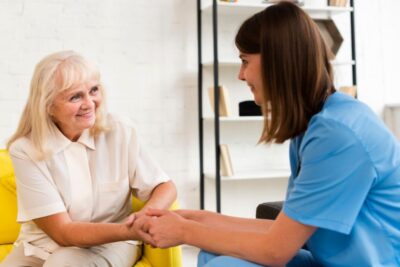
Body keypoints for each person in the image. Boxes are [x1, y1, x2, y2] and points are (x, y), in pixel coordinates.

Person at [133, 2, 400, 266]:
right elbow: (282, 231)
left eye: (245, 61)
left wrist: (185, 232)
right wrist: (194, 219)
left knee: (221, 265)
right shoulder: (314, 125)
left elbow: (275, 250)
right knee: (212, 252)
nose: (240, 75)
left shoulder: (338, 135)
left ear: (277, 61)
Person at [1, 50, 177, 267]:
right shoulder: (26, 150)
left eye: (94, 90)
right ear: (48, 106)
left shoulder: (120, 130)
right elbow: (63, 233)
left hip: (113, 242)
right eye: (75, 96)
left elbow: (164, 186)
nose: (90, 103)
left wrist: (143, 219)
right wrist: (131, 228)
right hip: (43, 245)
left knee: (63, 264)